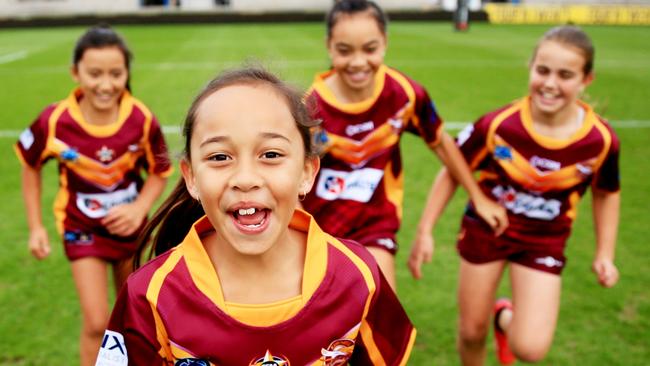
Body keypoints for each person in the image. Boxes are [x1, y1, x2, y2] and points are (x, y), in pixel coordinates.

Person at [95, 67, 417, 365]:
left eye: (271, 154)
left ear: (307, 171)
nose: (245, 178)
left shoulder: (357, 275)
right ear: (191, 176)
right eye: (220, 157)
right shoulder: (149, 295)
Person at [408, 25, 620, 365]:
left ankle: (502, 316)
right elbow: (453, 169)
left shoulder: (601, 140)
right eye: (543, 70)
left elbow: (607, 193)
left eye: (565, 75)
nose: (550, 84)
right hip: (487, 231)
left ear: (587, 79)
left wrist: (604, 253)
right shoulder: (498, 125)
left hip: (545, 240)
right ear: (531, 67)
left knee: (530, 349)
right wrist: (426, 229)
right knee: (470, 332)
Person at [301, 0, 506, 289]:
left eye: (370, 49)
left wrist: (478, 196)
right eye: (345, 51)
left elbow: (442, 142)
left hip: (375, 225)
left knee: (382, 313)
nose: (358, 62)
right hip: (320, 229)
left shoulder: (405, 94)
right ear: (329, 46)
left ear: (384, 42)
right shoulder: (309, 110)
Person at [14, 25, 172, 366]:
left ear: (127, 72)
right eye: (94, 73)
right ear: (76, 73)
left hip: (131, 231)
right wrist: (36, 227)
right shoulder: (54, 120)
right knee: (98, 321)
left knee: (135, 319)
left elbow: (160, 170)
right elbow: (30, 165)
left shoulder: (141, 119)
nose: (106, 84)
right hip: (82, 229)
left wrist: (139, 208)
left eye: (116, 73)